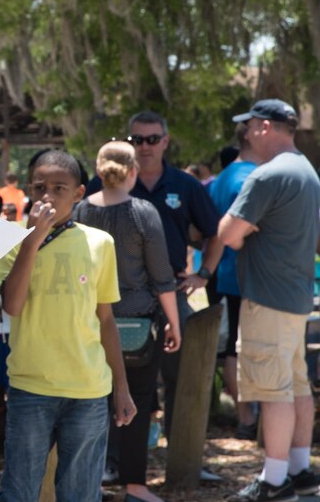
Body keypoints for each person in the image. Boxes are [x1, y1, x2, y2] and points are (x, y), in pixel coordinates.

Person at [0, 150, 135, 502]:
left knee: (81, 493)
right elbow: (12, 305)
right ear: (28, 189)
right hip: (31, 386)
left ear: (79, 193)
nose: (48, 197)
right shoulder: (11, 242)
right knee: (19, 491)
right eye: (40, 187)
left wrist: (121, 387)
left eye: (59, 188)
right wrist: (32, 240)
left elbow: (106, 320)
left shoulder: (99, 243)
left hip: (88, 389)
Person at [87, 110, 223, 443]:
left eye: (151, 139)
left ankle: (181, 453)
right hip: (110, 299)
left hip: (169, 294)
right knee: (106, 378)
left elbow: (215, 232)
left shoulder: (185, 184)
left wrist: (203, 274)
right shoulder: (97, 188)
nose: (144, 147)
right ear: (126, 142)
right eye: (136, 140)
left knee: (181, 375)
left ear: (165, 141)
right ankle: (113, 461)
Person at [219, 99, 320, 502]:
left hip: (267, 297)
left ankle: (274, 481)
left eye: (249, 127)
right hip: (297, 297)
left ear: (263, 126)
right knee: (296, 385)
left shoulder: (268, 175)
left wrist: (243, 231)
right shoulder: (307, 171)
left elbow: (228, 233)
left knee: (273, 390)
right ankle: (299, 470)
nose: (245, 135)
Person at [73, 141, 181, 502]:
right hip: (137, 326)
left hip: (89, 325)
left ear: (98, 170)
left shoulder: (79, 212)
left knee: (91, 406)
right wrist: (174, 323)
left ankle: (92, 482)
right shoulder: (143, 213)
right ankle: (135, 485)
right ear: (133, 171)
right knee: (138, 401)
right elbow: (162, 275)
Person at [208, 123, 259, 439]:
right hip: (248, 275)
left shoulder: (220, 179)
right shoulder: (249, 178)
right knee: (244, 349)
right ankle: (249, 419)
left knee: (233, 348)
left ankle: (245, 418)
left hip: (224, 275)